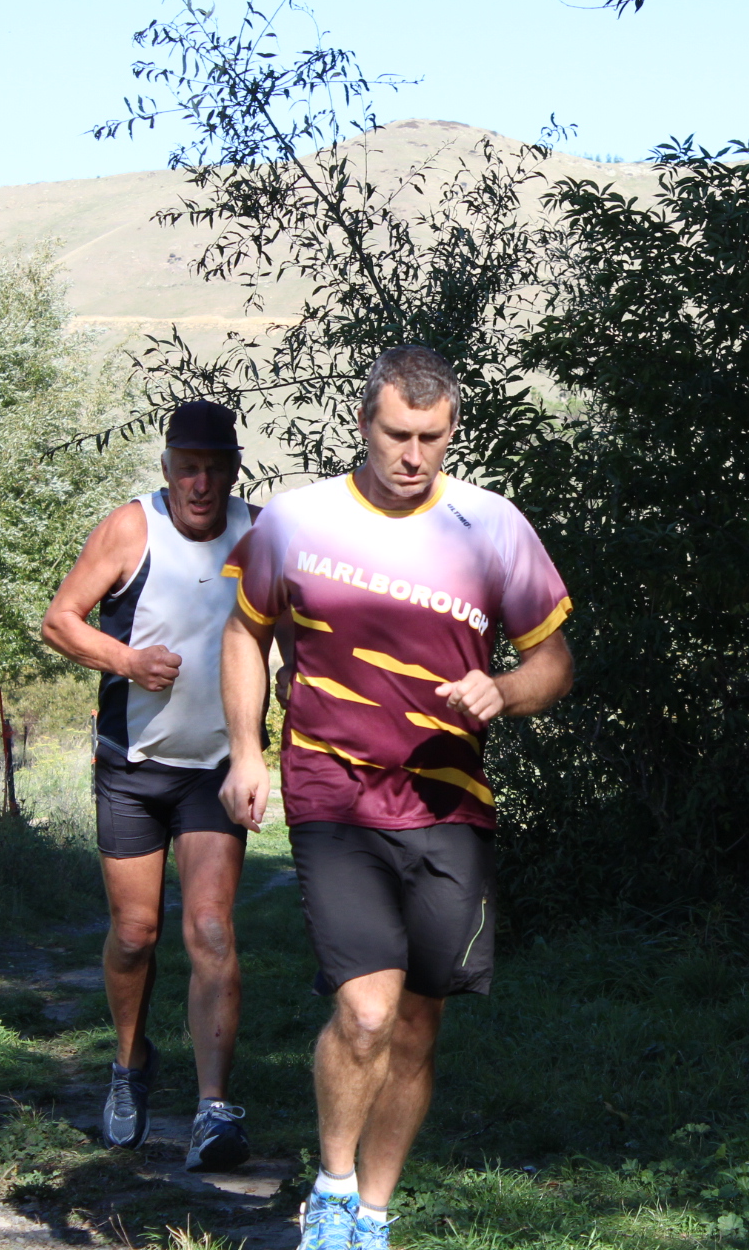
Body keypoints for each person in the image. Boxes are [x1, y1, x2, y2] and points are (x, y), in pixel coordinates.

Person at [217, 345, 574, 1250]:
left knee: (415, 1026)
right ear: (363, 424)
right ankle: (332, 1194)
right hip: (332, 792)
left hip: (450, 805)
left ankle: (373, 1214)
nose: (413, 456)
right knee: (367, 1012)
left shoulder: (490, 526)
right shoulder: (296, 521)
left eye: (432, 438)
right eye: (396, 435)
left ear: (451, 432)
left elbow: (553, 662)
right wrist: (246, 753)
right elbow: (245, 632)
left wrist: (505, 689)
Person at [40, 400, 258, 1172]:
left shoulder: (259, 535)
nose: (200, 483)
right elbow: (61, 620)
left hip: (215, 771)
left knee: (210, 930)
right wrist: (127, 661)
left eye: (214, 468)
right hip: (132, 768)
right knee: (136, 934)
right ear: (167, 468)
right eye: (187, 468)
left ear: (233, 470)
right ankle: (130, 1063)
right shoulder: (131, 529)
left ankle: (213, 1111)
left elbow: (296, 638)